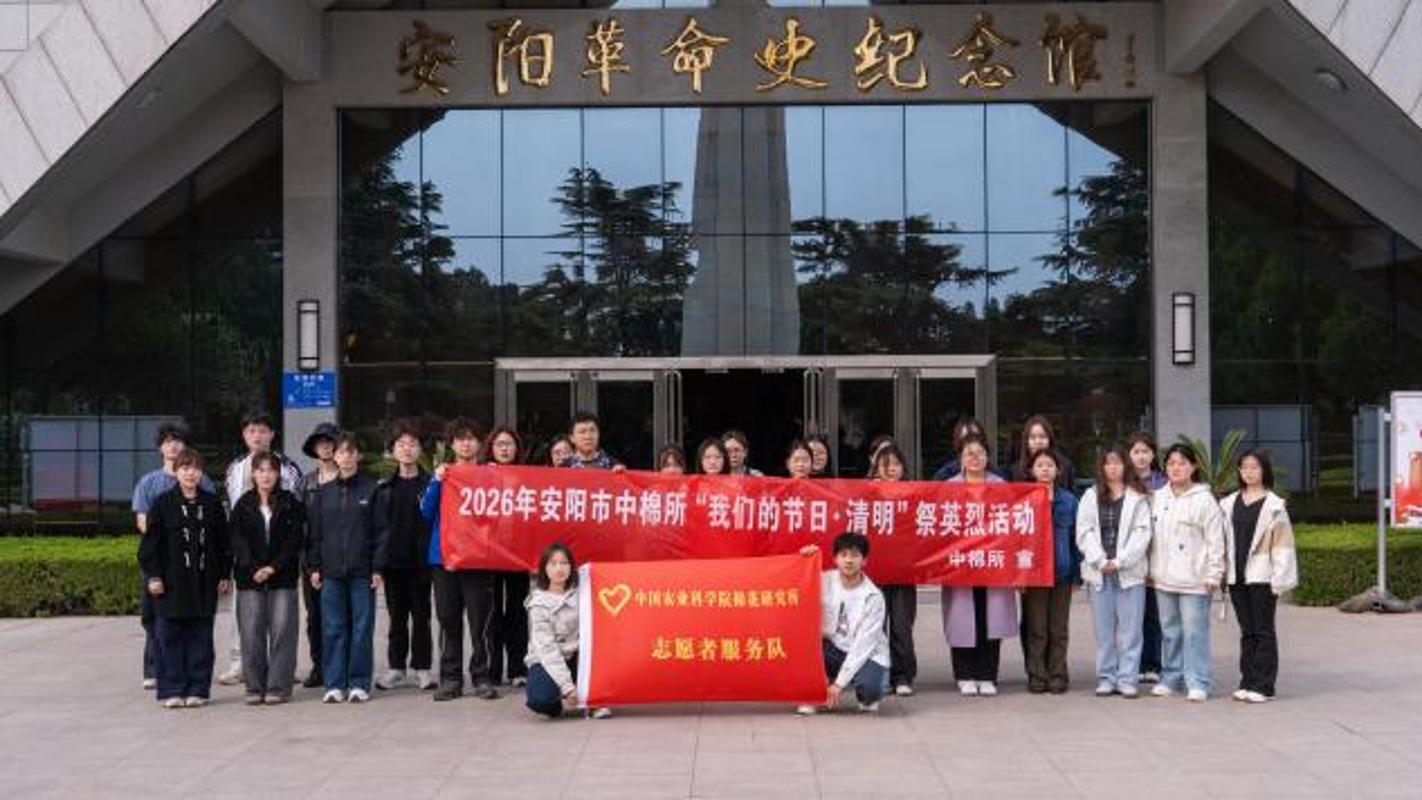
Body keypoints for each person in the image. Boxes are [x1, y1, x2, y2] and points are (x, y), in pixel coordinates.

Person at [138, 449, 231, 708]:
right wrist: (154, 576)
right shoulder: (163, 503)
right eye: (185, 468)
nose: (191, 473)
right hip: (170, 584)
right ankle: (172, 690)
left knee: (201, 637)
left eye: (196, 468)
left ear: (201, 472)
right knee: (169, 637)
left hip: (203, 582)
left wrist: (224, 574)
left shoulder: (212, 504)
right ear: (177, 472)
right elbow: (150, 546)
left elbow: (223, 544)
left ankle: (198, 690)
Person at [219, 411, 301, 686]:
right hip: (246, 555)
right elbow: (230, 509)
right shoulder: (235, 468)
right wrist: (242, 556)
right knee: (244, 615)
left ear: (272, 435)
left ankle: (281, 670)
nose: (257, 436)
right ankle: (239, 664)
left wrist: (279, 560)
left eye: (263, 430)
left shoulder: (288, 467)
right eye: (251, 431)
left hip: (279, 556)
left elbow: (295, 511)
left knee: (282, 619)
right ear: (244, 435)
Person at [132, 421, 215, 691]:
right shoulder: (149, 483)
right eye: (168, 441)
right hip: (160, 562)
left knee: (192, 622)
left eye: (178, 440)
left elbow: (210, 521)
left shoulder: (204, 482)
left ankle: (189, 676)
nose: (173, 446)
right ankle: (154, 670)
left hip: (193, 566)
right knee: (154, 618)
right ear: (160, 447)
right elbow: (143, 523)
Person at [422, 418, 498, 701]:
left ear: (479, 443)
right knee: (448, 620)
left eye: (471, 438)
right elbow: (426, 512)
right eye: (460, 439)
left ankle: (481, 676)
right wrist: (436, 481)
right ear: (452, 444)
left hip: (478, 558)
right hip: (445, 558)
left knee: (480, 622)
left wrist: (497, 477)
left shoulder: (489, 475)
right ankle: (450, 678)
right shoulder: (444, 475)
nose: (466, 443)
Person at [306, 434, 383, 704]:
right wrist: (314, 566)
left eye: (351, 452)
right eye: (341, 452)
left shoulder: (371, 489)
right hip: (331, 572)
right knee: (332, 627)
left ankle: (359, 682)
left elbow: (381, 532)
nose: (347, 457)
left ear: (358, 456)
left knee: (362, 628)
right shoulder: (323, 492)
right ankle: (334, 683)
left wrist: (377, 568)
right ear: (334, 456)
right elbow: (315, 534)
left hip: (363, 571)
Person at [1148, 443, 1226, 702]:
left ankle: (1198, 680)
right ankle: (1171, 677)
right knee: (1170, 631)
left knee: (1194, 632)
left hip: (1196, 579)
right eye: (1171, 463)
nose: (1176, 468)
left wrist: (1214, 574)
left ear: (1193, 467)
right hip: (1163, 577)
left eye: (1182, 463)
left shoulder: (1204, 500)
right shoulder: (1158, 498)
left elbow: (1216, 540)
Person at [941, 433, 1016, 696]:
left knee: (989, 617)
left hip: (992, 562)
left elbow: (1012, 524)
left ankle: (987, 674)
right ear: (961, 458)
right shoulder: (949, 487)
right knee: (962, 618)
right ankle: (964, 674)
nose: (975, 458)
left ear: (987, 457)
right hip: (960, 563)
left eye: (980, 453)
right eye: (969, 453)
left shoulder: (1000, 485)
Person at [1220, 450, 1298, 703]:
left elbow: (1283, 545)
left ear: (1264, 470)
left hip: (1262, 576)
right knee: (1247, 631)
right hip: (1237, 576)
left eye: (1254, 467)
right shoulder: (1228, 504)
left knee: (1263, 630)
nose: (1249, 472)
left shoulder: (1275, 506)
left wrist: (1280, 579)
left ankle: (1264, 686)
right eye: (1244, 467)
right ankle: (1247, 681)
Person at [1076, 445, 1153, 698]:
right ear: (1101, 467)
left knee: (1131, 630)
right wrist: (1100, 560)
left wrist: (1120, 561)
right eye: (1108, 463)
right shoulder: (1090, 496)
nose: (1113, 467)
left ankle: (1128, 678)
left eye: (1117, 462)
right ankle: (1107, 677)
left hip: (1129, 573)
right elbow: (1084, 531)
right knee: (1104, 630)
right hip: (1099, 572)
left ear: (1125, 465)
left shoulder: (1138, 496)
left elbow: (1143, 533)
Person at [230, 453, 305, 705]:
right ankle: (254, 687)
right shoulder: (243, 504)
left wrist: (273, 567)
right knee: (251, 633)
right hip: (249, 578)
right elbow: (237, 541)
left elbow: (294, 539)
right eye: (260, 470)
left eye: (270, 470)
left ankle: (278, 687)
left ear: (278, 474)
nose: (265, 475)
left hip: (282, 577)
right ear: (253, 474)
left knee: (283, 632)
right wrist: (254, 568)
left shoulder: (290, 502)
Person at [797, 533, 891, 715]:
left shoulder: (874, 596)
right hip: (832, 647)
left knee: (871, 692)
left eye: (855, 555)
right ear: (835, 559)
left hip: (866, 653)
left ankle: (868, 693)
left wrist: (839, 684)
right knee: (802, 646)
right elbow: (796, 582)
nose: (849, 560)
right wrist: (804, 559)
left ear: (864, 561)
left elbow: (863, 645)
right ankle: (811, 695)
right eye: (844, 555)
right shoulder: (824, 580)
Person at [373, 423, 434, 691]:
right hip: (394, 563)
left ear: (420, 450)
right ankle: (396, 667)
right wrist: (378, 564)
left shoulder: (430, 485)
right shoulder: (385, 486)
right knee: (396, 618)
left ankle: (422, 668)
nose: (407, 449)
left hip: (422, 562)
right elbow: (377, 527)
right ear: (393, 451)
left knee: (422, 616)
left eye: (412, 444)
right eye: (401, 444)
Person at [1020, 450, 1081, 694]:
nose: (1045, 469)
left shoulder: (1070, 501)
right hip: (1033, 575)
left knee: (1058, 629)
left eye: (1049, 465)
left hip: (1062, 573)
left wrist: (1077, 575)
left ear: (1058, 470)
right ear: (1031, 471)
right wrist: (1019, 577)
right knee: (1037, 629)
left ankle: (1058, 675)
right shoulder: (1023, 499)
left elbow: (1076, 540)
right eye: (1040, 465)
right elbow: (1016, 540)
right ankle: (1037, 675)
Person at [482, 426, 530, 688]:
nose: (504, 448)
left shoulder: (526, 476)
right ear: (491, 448)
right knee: (491, 612)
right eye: (499, 444)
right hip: (488, 553)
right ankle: (492, 668)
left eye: (509, 444)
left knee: (517, 611)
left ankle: (517, 667)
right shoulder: (480, 475)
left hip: (517, 553)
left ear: (516, 449)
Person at [296, 421, 342, 688]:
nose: (325, 447)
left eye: (330, 442)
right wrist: (307, 559)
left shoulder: (349, 478)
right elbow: (298, 522)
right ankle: (319, 666)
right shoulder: (306, 482)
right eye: (320, 443)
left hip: (343, 556)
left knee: (340, 615)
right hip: (312, 559)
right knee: (315, 616)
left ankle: (341, 665)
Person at [873, 444, 917, 697]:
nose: (891, 469)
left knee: (902, 626)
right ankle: (878, 675)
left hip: (903, 571)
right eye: (886, 464)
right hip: (875, 572)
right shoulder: (867, 493)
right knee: (875, 626)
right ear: (877, 467)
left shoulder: (913, 494)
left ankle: (902, 676)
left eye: (896, 464)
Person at [523, 542, 586, 719]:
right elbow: (547, 650)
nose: (559, 569)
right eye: (553, 563)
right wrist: (567, 687)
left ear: (571, 567)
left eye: (564, 563)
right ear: (544, 569)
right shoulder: (538, 604)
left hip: (578, 656)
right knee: (540, 700)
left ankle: (594, 701)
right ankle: (562, 700)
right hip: (547, 659)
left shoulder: (583, 595)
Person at [1127, 430, 1166, 685]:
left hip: (1157, 553)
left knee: (1153, 613)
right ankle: (1132, 663)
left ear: (1153, 455)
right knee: (1131, 615)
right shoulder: (1123, 481)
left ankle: (1152, 663)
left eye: (1145, 451)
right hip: (1129, 555)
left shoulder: (1163, 483)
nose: (1141, 456)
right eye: (1136, 452)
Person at [1012, 415, 1076, 490]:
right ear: (1027, 442)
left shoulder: (1065, 466)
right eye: (1033, 437)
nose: (1038, 442)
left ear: (1050, 439)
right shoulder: (1017, 470)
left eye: (1042, 437)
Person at [931, 417, 995, 481]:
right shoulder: (944, 475)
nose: (972, 440)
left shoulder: (997, 478)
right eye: (966, 438)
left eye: (976, 436)